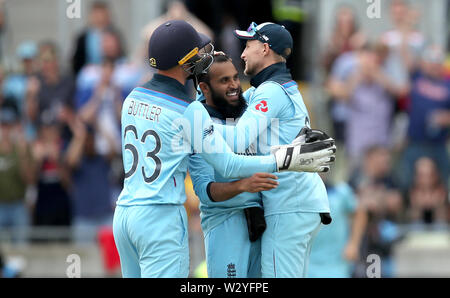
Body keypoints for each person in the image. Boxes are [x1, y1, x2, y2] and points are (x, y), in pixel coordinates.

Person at [112, 20, 335, 278]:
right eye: (197, 53)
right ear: (185, 62)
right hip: (161, 217)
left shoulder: (132, 98)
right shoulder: (189, 111)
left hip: (125, 213)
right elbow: (227, 164)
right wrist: (284, 160)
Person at [208, 21, 333, 277]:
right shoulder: (273, 88)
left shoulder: (270, 91)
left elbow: (240, 138)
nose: (242, 53)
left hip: (289, 205)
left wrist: (196, 127)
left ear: (265, 48)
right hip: (297, 204)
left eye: (248, 45)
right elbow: (234, 109)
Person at [189, 54, 278, 277]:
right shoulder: (200, 126)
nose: (234, 86)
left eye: (236, 78)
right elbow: (205, 191)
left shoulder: (247, 116)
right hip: (225, 225)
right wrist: (243, 186)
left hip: (258, 222)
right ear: (204, 88)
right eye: (224, 80)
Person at [308, 173, 367, 278]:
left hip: (337, 264)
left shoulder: (341, 192)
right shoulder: (299, 196)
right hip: (307, 265)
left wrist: (353, 243)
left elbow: (360, 212)